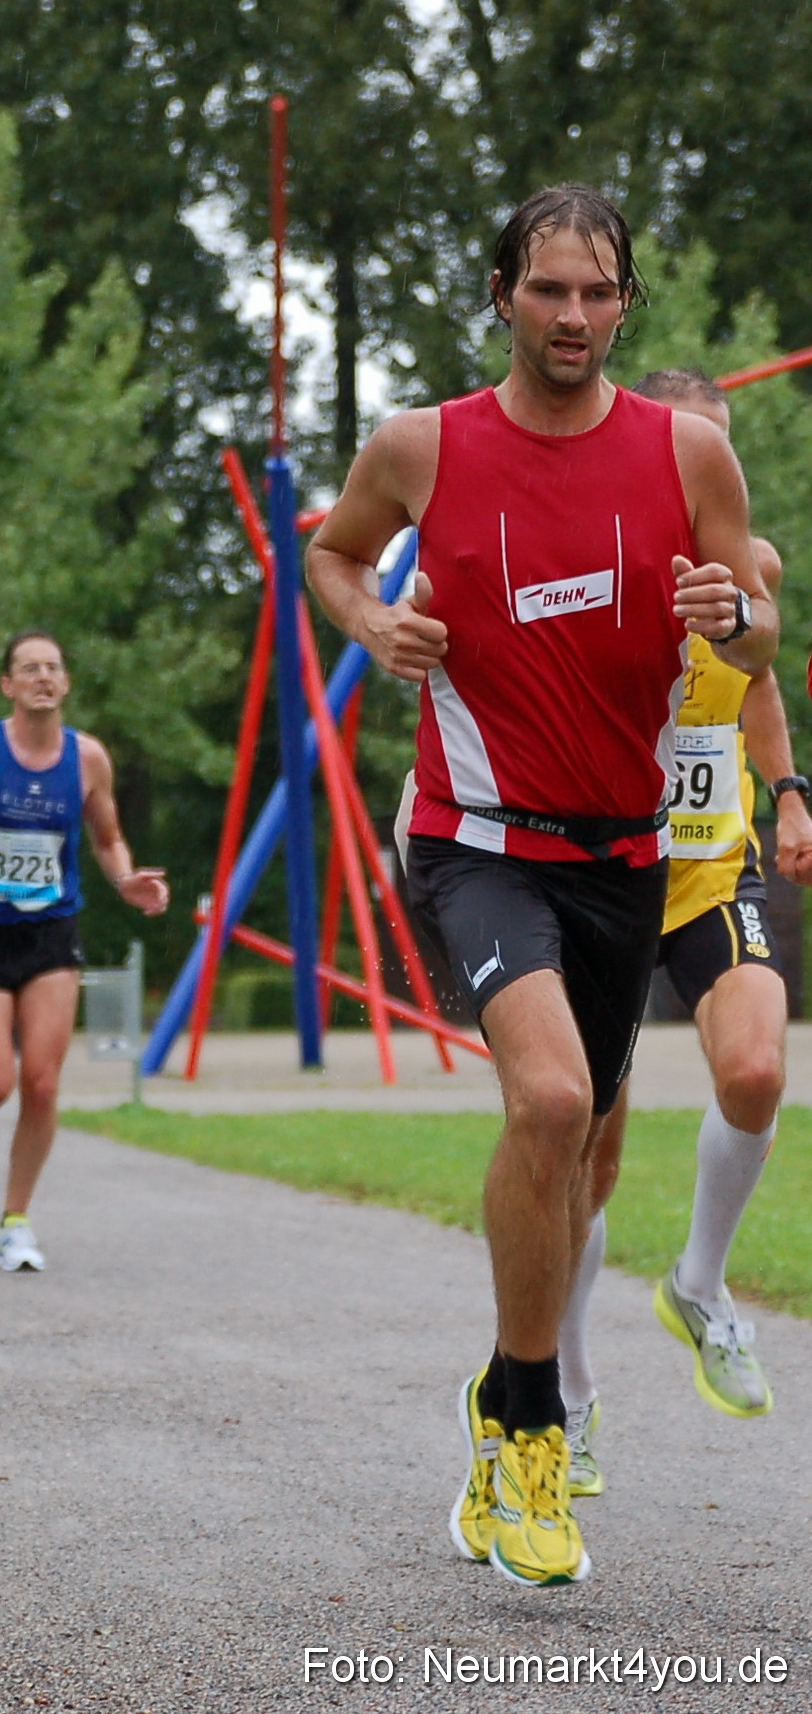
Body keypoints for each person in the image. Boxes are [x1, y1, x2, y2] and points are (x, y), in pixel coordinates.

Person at [305, 184, 777, 1588]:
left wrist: (733, 622)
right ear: (503, 292)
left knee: (585, 1151)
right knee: (555, 1099)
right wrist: (372, 615)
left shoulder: (687, 452)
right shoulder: (421, 444)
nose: (572, 316)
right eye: (547, 289)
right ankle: (525, 1418)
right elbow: (331, 553)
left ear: (624, 302)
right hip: (474, 833)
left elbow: (757, 638)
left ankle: (517, 1395)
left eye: (597, 292)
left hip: (628, 853)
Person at [556, 368, 812, 1497]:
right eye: (692, 456)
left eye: (726, 458)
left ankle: (699, 1287)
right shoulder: (599, 560)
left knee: (757, 1067)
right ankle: (564, 1394)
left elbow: (757, 685)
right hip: (604, 879)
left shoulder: (749, 571)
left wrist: (791, 788)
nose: (714, 480)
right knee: (584, 1157)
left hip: (710, 871)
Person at [0, 631, 169, 1272]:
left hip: (52, 933)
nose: (43, 677)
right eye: (29, 669)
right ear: (9, 685)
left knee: (43, 1083)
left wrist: (125, 877)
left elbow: (107, 839)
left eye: (53, 667)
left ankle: (15, 1223)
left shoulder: (88, 759)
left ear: (66, 683)